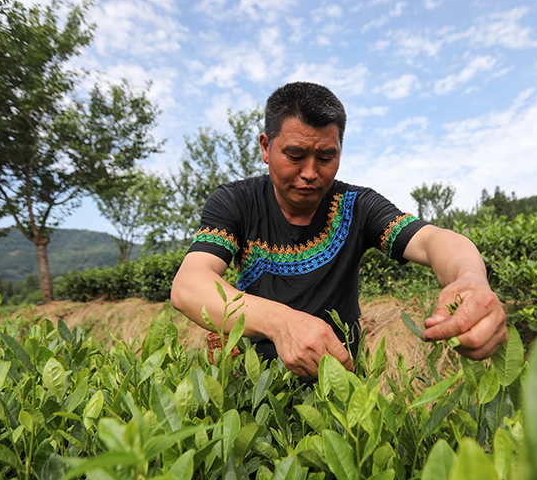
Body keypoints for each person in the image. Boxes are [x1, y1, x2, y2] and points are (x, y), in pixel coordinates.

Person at [171, 81, 507, 378]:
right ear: (265, 147)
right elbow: (190, 284)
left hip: (336, 390)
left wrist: (470, 279)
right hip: (255, 389)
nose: (310, 172)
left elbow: (432, 239)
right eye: (295, 154)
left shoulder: (357, 206)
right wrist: (281, 323)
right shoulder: (236, 202)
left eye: (326, 156)